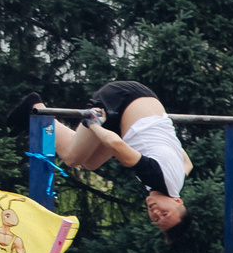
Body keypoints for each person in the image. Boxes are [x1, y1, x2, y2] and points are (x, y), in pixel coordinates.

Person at [33, 82, 190, 232]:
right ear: (177, 201)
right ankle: (37, 110)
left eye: (156, 219)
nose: (156, 213)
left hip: (138, 105)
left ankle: (45, 123)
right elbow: (115, 144)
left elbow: (187, 162)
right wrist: (93, 123)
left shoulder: (176, 182)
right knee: (71, 158)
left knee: (91, 163)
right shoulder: (155, 176)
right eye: (165, 213)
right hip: (119, 101)